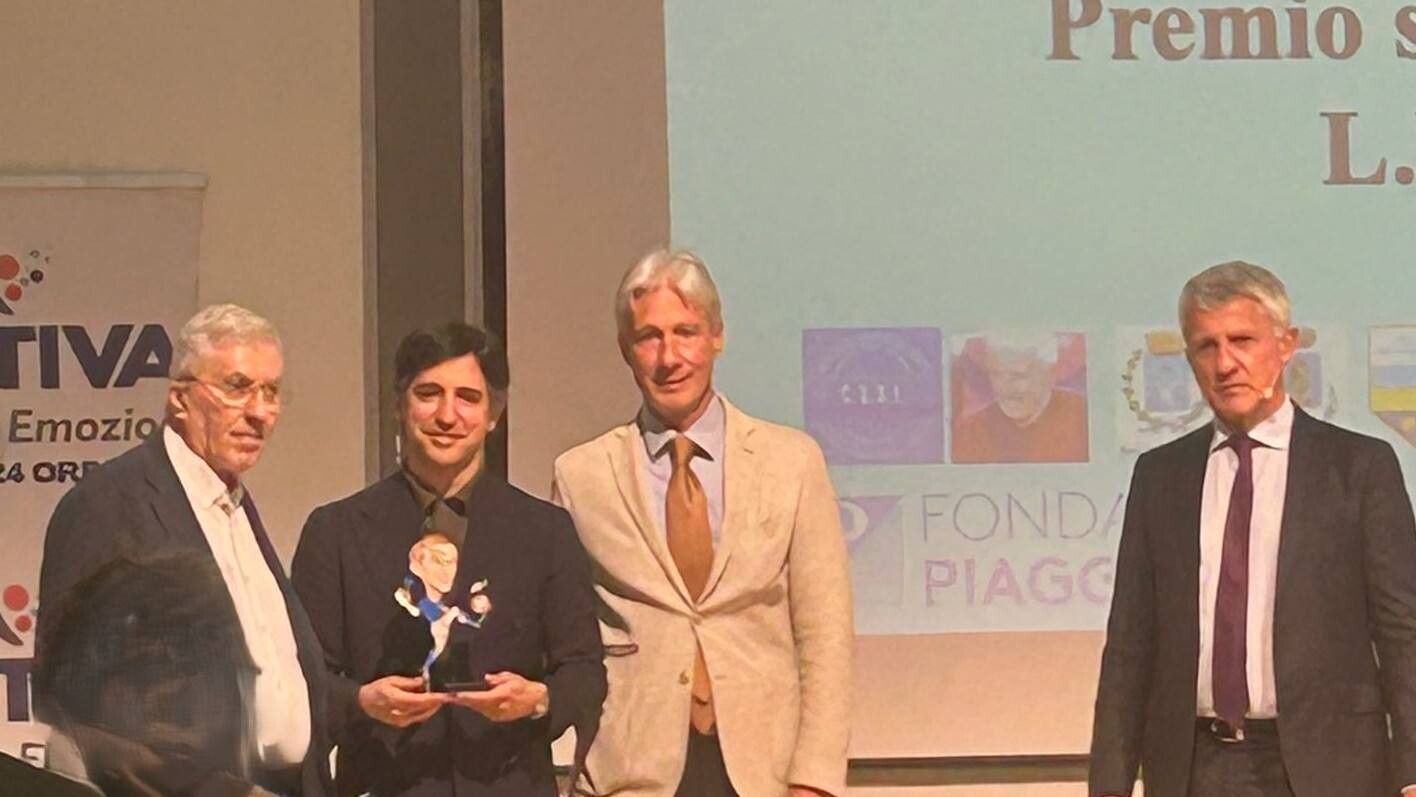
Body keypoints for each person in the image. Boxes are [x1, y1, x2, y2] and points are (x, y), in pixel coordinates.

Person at [1089, 261, 1416, 797]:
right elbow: (1130, 643)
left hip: (1330, 764)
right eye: (1206, 346)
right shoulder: (1161, 475)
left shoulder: (1359, 467)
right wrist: (1109, 784)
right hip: (1194, 766)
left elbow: (1403, 629)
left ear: (1286, 345)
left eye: (1242, 340)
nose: (1225, 364)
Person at [552, 249, 853, 797]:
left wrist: (814, 779)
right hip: (631, 772)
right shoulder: (581, 475)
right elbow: (568, 642)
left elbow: (825, 634)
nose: (669, 357)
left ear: (717, 336)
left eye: (686, 332)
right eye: (649, 337)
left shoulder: (792, 462)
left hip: (763, 771)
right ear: (625, 349)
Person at [291, 323, 605, 796]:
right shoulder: (335, 532)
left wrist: (539, 699)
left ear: (494, 413)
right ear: (399, 405)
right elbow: (305, 680)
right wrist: (361, 701)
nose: (446, 415)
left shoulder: (545, 532)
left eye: (468, 398)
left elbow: (584, 670)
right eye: (428, 394)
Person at [34, 303, 331, 796]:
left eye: (271, 392)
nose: (260, 412)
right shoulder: (108, 506)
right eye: (237, 387)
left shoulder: (234, 506)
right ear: (179, 399)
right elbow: (82, 711)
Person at [950, 332, 1088, 463]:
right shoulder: (969, 433)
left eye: (1018, 376)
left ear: (1050, 374)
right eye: (996, 375)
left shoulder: (1084, 418)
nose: (1004, 388)